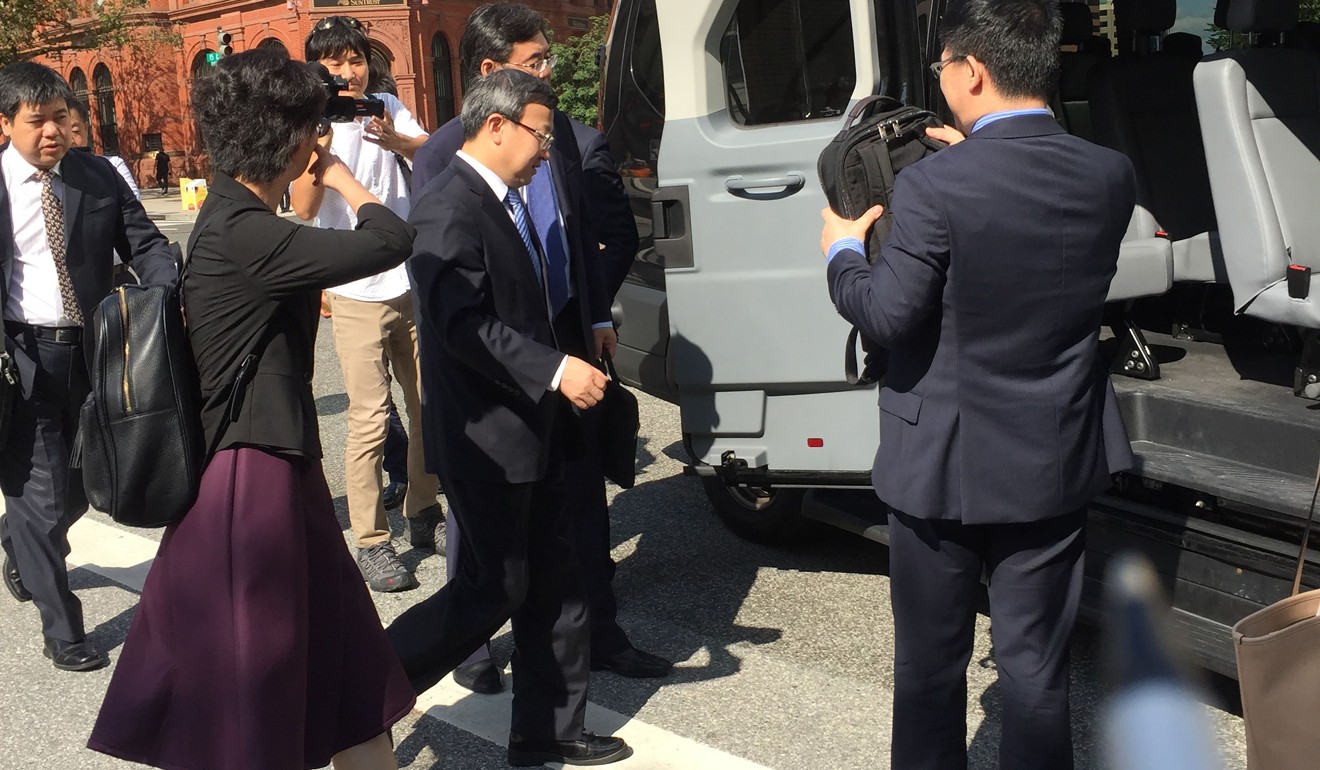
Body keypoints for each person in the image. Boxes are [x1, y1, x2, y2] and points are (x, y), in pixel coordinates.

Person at [820, 2, 1136, 769]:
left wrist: (840, 255)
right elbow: (1024, 226)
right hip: (1056, 454)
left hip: (943, 468)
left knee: (931, 670)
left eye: (942, 68)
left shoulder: (933, 187)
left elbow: (889, 316)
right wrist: (972, 158)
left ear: (972, 70)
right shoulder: (1109, 173)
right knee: (1036, 673)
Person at [88, 49, 416, 770]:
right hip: (250, 483)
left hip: (270, 468)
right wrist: (337, 175)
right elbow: (390, 238)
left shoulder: (239, 219)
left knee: (348, 676)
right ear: (293, 138)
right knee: (254, 688)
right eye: (310, 127)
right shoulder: (246, 235)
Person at [410, 2, 667, 694]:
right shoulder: (441, 162)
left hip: (568, 353)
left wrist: (592, 317)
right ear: (492, 79)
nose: (548, 73)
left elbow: (587, 239)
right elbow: (452, 302)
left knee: (577, 523)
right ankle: (463, 653)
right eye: (535, 64)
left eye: (550, 60)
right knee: (492, 554)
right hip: (494, 384)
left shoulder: (564, 141)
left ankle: (587, 656)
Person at [388, 68, 632, 767]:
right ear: (495, 126)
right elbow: (460, 323)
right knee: (489, 591)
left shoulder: (506, 200)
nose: (545, 150)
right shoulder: (446, 207)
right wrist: (555, 369)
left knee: (558, 581)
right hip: (488, 436)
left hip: (542, 425)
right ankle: (366, 688)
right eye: (539, 134)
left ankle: (549, 731)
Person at [0, 61, 176, 672]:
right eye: (36, 121)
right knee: (39, 496)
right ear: (6, 124)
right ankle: (63, 627)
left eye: (58, 119)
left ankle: (18, 541)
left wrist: (165, 296)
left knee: (90, 480)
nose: (51, 132)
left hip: (96, 351)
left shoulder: (96, 176)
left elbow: (146, 244)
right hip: (19, 357)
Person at [291, 14, 442, 593]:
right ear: (317, 70)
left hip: (409, 279)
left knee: (429, 403)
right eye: (335, 64)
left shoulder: (385, 104)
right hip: (355, 288)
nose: (349, 72)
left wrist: (397, 138)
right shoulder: (308, 123)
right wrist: (322, 146)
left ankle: (424, 510)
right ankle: (373, 541)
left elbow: (431, 152)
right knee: (370, 418)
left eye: (355, 59)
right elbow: (304, 208)